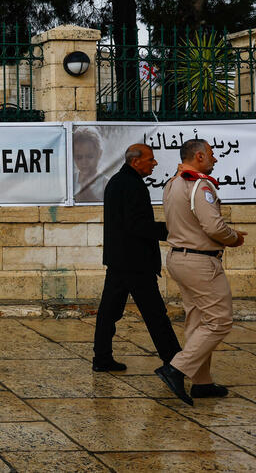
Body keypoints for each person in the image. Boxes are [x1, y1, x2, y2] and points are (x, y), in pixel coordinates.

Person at [156, 138, 247, 405]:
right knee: (219, 321)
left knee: (197, 320)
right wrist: (233, 238)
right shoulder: (200, 185)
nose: (215, 158)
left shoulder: (173, 183)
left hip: (179, 258)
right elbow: (214, 227)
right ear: (198, 157)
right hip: (200, 262)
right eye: (211, 154)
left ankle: (202, 382)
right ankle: (176, 368)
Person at [93, 143, 180, 372]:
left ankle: (101, 358)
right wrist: (172, 230)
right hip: (134, 262)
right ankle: (175, 362)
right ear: (135, 161)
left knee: (109, 312)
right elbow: (136, 225)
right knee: (155, 314)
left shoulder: (119, 182)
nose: (155, 163)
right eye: (150, 159)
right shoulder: (131, 185)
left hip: (120, 259)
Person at [73, 128, 107, 202]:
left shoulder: (106, 183)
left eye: (89, 156)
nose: (84, 162)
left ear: (99, 154)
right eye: (79, 157)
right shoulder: (70, 181)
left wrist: (88, 194)